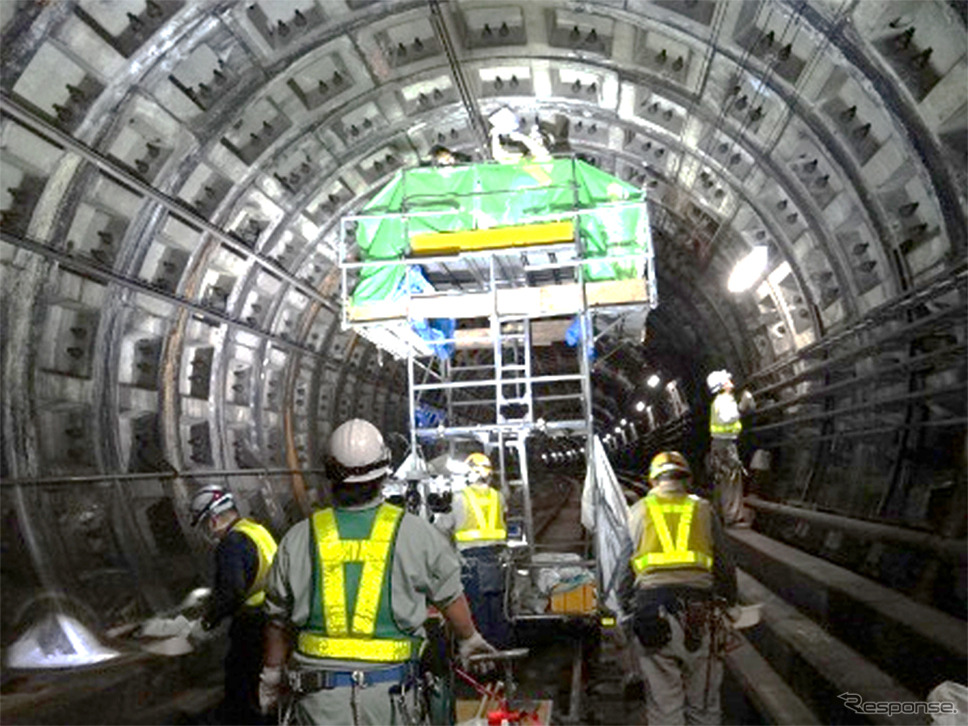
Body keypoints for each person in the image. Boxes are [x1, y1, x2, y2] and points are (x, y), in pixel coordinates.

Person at [258, 419, 498, 725]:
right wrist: (469, 637)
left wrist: (272, 675)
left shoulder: (296, 538)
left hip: (318, 702)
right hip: (392, 701)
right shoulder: (417, 533)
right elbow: (450, 595)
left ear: (330, 474)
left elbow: (276, 620)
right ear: (384, 474)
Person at [626, 451, 737, 726]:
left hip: (652, 614)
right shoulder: (703, 509)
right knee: (703, 706)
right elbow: (725, 564)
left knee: (664, 706)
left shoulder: (638, 510)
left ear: (653, 481)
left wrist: (622, 607)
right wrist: (730, 602)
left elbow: (622, 567)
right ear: (686, 480)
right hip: (701, 614)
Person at [190, 483, 278, 725]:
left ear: (213, 519)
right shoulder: (256, 530)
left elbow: (232, 592)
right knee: (260, 686)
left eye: (204, 524)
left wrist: (206, 623)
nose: (208, 532)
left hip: (252, 624)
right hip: (275, 619)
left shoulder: (231, 543)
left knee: (240, 684)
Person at [435, 452, 511, 648]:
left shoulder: (459, 498)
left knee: (476, 615)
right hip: (496, 563)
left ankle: (481, 663)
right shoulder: (498, 497)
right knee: (498, 614)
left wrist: (451, 554)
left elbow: (440, 529)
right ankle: (502, 659)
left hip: (471, 564)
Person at [706, 370, 756, 527]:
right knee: (732, 481)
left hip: (718, 445)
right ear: (722, 385)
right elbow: (728, 418)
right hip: (726, 446)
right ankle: (733, 518)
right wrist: (742, 407)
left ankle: (720, 513)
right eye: (727, 379)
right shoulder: (725, 400)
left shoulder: (718, 401)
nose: (730, 380)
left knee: (722, 480)